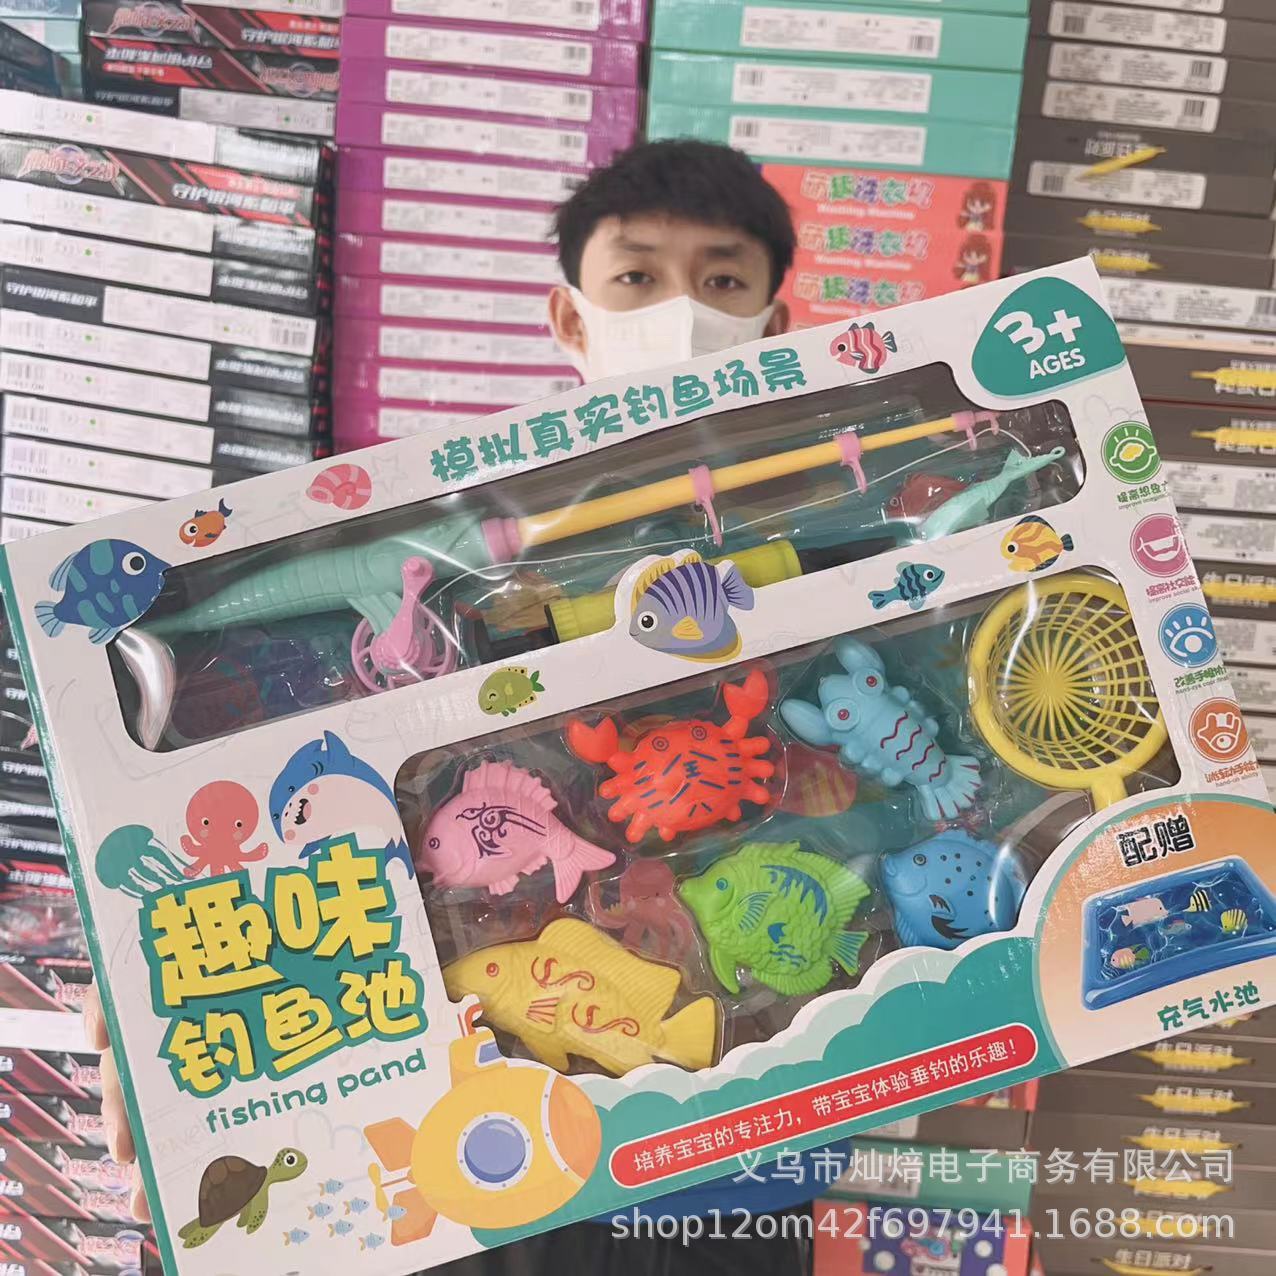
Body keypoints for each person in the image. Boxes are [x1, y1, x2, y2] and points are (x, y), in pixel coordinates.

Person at [86, 139, 832, 1250]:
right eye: (636, 276)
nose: (679, 312)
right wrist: (162, 981)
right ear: (570, 316)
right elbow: (259, 817)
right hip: (454, 1139)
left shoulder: (821, 527)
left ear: (774, 322)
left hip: (731, 1149)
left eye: (721, 280)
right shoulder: (433, 528)